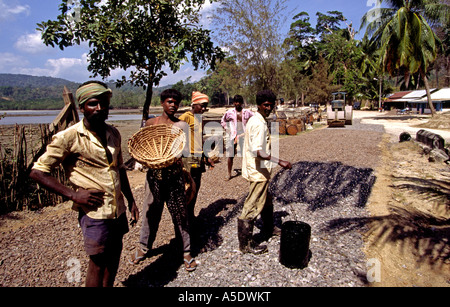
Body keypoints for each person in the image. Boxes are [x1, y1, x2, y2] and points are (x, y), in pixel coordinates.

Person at [30, 81, 139, 287]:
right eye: (93, 104)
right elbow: (37, 172)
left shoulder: (113, 133)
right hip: (94, 212)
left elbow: (119, 169)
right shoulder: (69, 137)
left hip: (117, 208)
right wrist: (73, 195)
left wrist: (131, 200)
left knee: (114, 256)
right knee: (97, 263)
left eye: (104, 104)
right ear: (81, 107)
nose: (100, 109)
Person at [130, 89, 197, 272]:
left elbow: (186, 154)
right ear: (162, 103)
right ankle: (144, 247)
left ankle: (186, 251)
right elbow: (143, 147)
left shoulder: (182, 126)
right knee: (150, 212)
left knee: (180, 214)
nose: (173, 105)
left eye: (176, 102)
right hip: (154, 177)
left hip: (175, 175)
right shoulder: (151, 123)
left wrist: (189, 177)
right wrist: (144, 163)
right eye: (169, 101)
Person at [238, 89, 292, 254]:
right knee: (252, 205)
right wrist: (280, 161)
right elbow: (257, 151)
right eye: (265, 105)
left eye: (271, 105)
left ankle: (269, 228)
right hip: (258, 171)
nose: (268, 108)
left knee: (266, 200)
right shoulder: (259, 123)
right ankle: (246, 244)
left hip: (260, 169)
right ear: (259, 105)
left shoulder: (256, 119)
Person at [179, 91, 215, 228]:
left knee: (196, 187)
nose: (204, 108)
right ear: (194, 104)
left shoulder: (199, 118)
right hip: (189, 158)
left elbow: (199, 139)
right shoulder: (185, 117)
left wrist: (206, 156)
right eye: (202, 105)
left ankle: (191, 215)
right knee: (189, 187)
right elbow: (176, 135)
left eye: (206, 106)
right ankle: (186, 219)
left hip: (198, 157)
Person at [220, 95, 254, 181]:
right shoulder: (229, 112)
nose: (237, 103)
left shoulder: (247, 112)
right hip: (233, 136)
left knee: (245, 155)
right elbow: (223, 120)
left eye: (239, 102)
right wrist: (227, 129)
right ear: (233, 103)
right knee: (230, 155)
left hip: (244, 135)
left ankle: (247, 173)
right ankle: (229, 174)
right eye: (236, 102)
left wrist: (250, 129)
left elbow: (255, 119)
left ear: (242, 103)